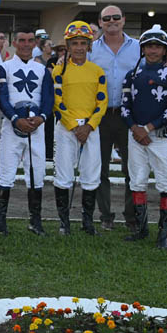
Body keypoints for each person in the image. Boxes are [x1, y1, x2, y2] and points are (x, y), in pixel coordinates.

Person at [121, 26, 167, 248]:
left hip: (160, 135)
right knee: (137, 181)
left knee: (165, 182)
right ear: (143, 49)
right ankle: (141, 229)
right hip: (135, 135)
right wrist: (135, 128)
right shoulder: (131, 75)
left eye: (157, 46)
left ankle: (163, 234)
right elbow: (125, 107)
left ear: (165, 50)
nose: (153, 50)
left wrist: (147, 128)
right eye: (149, 46)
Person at [52, 21, 108, 235]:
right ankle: (64, 222)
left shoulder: (97, 71)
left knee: (91, 174)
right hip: (66, 129)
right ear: (68, 45)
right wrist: (75, 127)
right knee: (63, 174)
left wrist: (89, 125)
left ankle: (87, 222)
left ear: (89, 45)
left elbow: (102, 102)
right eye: (74, 43)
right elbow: (57, 102)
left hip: (91, 129)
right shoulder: (59, 70)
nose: (79, 48)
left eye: (83, 43)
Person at [0, 28, 53, 235]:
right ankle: (1, 221)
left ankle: (35, 221)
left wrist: (41, 118)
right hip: (11, 127)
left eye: (29, 40)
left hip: (36, 128)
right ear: (14, 43)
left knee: (37, 173)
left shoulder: (42, 70)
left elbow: (48, 98)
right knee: (6, 173)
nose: (26, 44)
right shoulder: (4, 68)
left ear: (35, 43)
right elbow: (2, 97)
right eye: (21, 40)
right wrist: (15, 119)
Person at [89, 5, 139, 231]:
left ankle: (132, 216)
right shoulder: (91, 49)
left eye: (115, 17)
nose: (111, 21)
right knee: (100, 168)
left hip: (129, 116)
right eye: (106, 18)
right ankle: (105, 215)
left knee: (132, 168)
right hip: (100, 116)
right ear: (100, 22)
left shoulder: (138, 47)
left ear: (123, 20)